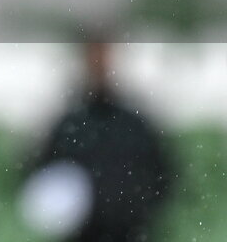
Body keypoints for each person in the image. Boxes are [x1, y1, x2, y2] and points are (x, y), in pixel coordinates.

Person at [21, 41, 175, 242]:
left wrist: (136, 210)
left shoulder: (135, 124)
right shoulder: (69, 124)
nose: (100, 66)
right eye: (95, 59)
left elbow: (164, 177)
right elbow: (42, 177)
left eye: (104, 58)